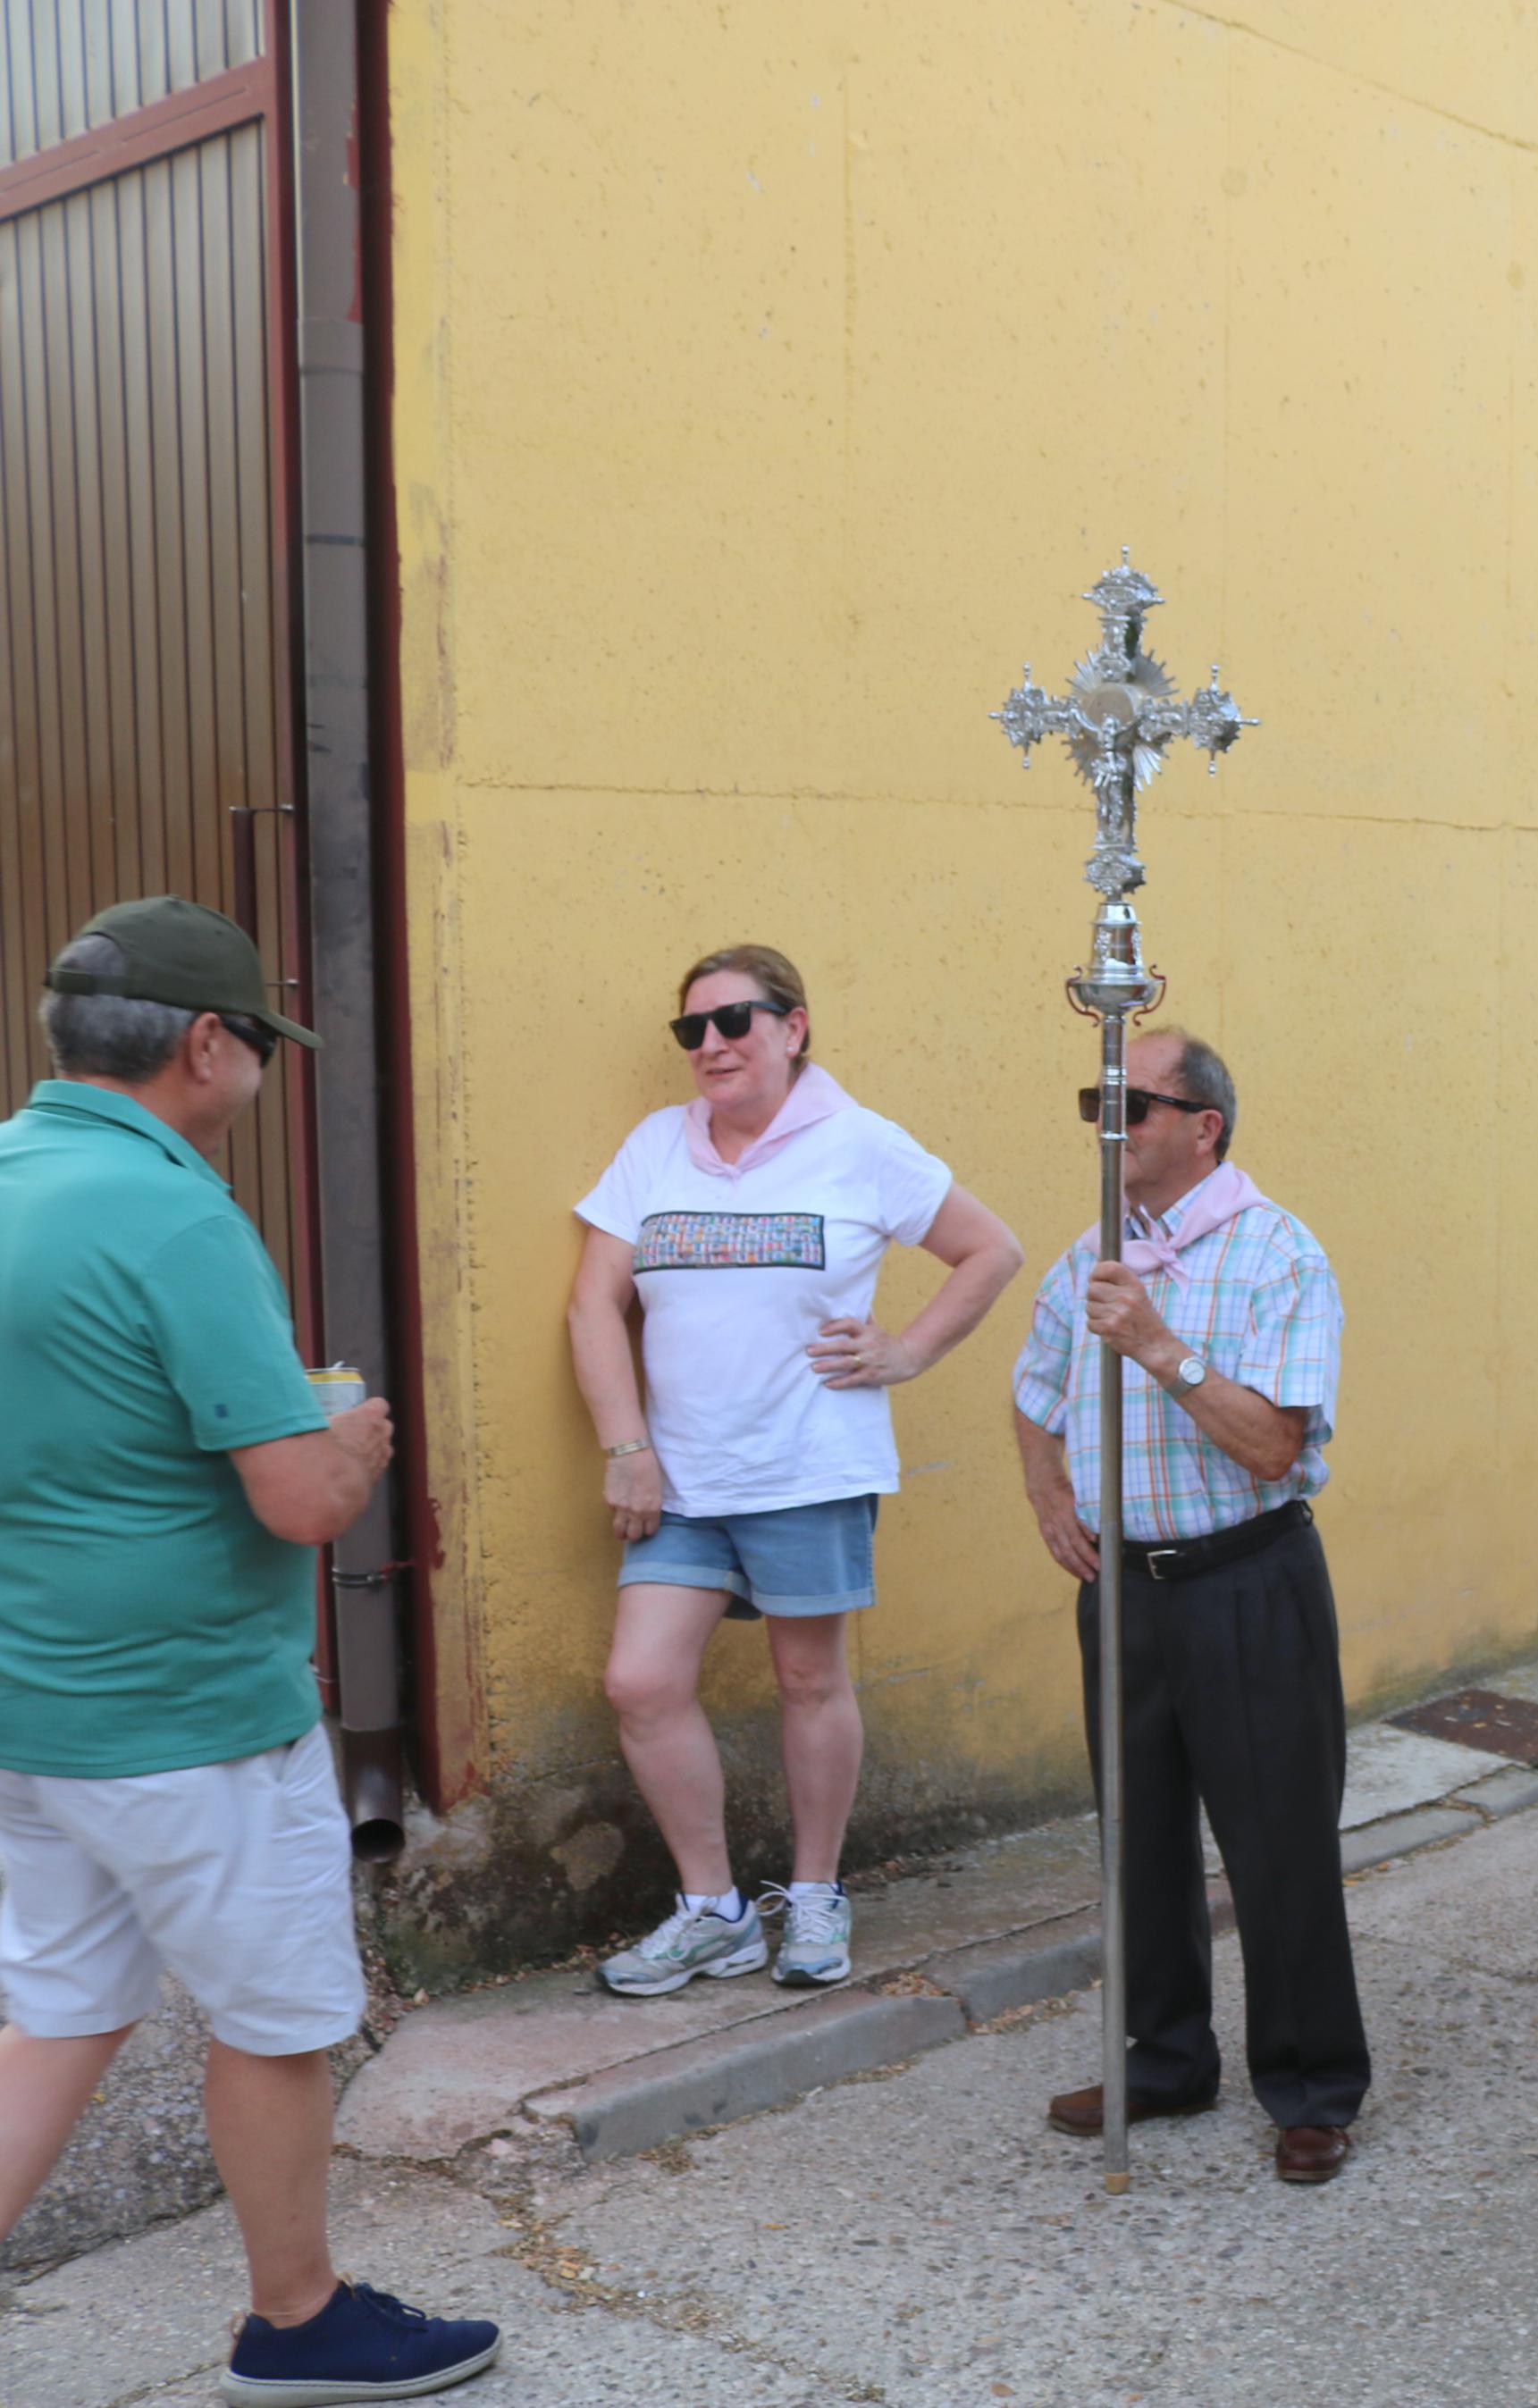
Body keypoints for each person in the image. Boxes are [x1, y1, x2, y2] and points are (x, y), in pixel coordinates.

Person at [0, 899, 502, 2400]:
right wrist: (348, 1440)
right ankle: (299, 2323)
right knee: (278, 2022)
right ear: (205, 1045)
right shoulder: (177, 1217)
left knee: (59, 2012)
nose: (262, 1075)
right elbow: (294, 1503)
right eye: (261, 1048)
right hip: (195, 1717)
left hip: (35, 1710)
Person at [567, 946, 1024, 1996]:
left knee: (808, 1677)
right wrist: (627, 1446)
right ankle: (712, 1910)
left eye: (736, 1021)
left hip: (807, 1464)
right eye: (694, 1031)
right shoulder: (654, 1149)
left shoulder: (858, 1144)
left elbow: (989, 1248)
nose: (713, 1046)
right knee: (640, 1680)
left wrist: (904, 1352)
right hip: (677, 1477)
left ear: (794, 1026)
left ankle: (814, 1894)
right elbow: (594, 1302)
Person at [1010, 1029, 1366, 2184]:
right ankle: (1162, 2056)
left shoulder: (1276, 1254)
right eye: (1096, 1102)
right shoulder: (1091, 1255)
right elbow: (1031, 1386)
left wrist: (1159, 1346)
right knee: (1139, 1839)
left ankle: (1311, 2084)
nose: (1109, 1126)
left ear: (1203, 1124)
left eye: (1132, 1104)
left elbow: (1272, 1444)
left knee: (1277, 1843)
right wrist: (1049, 1494)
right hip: (1127, 1587)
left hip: (1245, 1580)